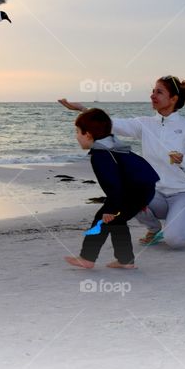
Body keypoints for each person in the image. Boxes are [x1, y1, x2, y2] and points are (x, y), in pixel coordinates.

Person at [59, 75, 185, 248]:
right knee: (128, 192)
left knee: (175, 241)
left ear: (173, 99)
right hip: (157, 194)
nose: (153, 95)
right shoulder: (145, 124)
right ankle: (154, 228)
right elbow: (108, 124)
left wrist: (183, 160)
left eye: (159, 92)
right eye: (153, 91)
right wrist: (83, 110)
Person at [63, 108, 158, 269]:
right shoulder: (111, 144)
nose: (76, 136)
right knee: (117, 221)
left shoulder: (101, 155)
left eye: (78, 132)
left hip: (135, 190)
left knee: (102, 219)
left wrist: (111, 208)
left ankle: (87, 258)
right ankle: (125, 260)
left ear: (88, 135)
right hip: (144, 187)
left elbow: (112, 183)